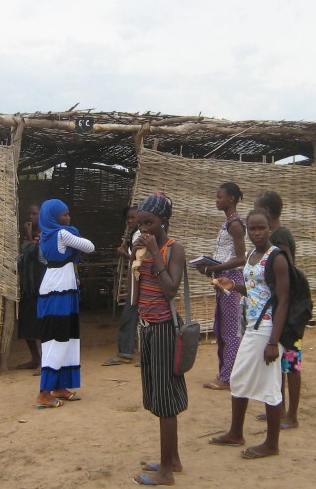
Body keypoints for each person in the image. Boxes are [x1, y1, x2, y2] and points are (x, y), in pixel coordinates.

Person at [209, 208, 290, 459]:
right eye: (252, 228)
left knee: (270, 386)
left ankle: (272, 444)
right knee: (239, 377)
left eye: (260, 228)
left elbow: (283, 301)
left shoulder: (276, 258)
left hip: (266, 330)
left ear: (269, 229)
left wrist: (274, 342)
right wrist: (233, 286)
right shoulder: (254, 255)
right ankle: (235, 433)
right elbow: (256, 292)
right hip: (251, 327)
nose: (256, 232)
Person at [131, 193, 187, 486]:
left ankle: (165, 472)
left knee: (165, 401)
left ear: (164, 221)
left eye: (149, 223)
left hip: (165, 328)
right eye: (141, 224)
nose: (144, 229)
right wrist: (136, 256)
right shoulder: (145, 246)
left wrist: (154, 253)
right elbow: (138, 288)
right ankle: (173, 460)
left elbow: (170, 290)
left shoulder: (173, 248)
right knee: (155, 395)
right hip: (148, 326)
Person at [35, 199, 95, 409]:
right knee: (56, 339)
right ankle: (44, 393)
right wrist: (72, 231)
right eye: (64, 215)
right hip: (58, 291)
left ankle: (59, 386)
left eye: (68, 214)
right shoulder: (62, 234)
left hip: (60, 286)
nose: (68, 218)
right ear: (53, 217)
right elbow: (89, 246)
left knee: (67, 337)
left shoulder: (46, 235)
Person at [253, 190, 301, 429]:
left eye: (258, 209)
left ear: (268, 213)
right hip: (285, 307)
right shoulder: (280, 235)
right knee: (282, 362)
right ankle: (279, 409)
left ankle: (291, 415)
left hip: (289, 311)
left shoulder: (280, 238)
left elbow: (286, 274)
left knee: (291, 363)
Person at [195, 182, 247, 390]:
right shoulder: (228, 224)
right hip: (224, 278)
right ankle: (227, 374)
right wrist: (211, 267)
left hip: (231, 281)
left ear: (231, 199)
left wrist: (215, 269)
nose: (217, 200)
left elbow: (241, 258)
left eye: (220, 197)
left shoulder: (235, 225)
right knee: (224, 328)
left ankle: (227, 378)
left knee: (231, 331)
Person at [103, 205, 141, 366]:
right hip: (140, 281)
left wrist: (124, 254)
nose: (130, 220)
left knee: (129, 316)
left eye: (133, 217)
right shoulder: (136, 234)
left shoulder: (139, 234)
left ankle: (125, 353)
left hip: (139, 282)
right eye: (128, 218)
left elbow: (139, 260)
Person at [15, 204, 46, 373]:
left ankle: (44, 362)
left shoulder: (45, 234)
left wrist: (28, 235)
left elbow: (36, 254)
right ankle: (35, 358)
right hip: (28, 285)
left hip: (41, 284)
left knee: (41, 325)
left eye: (34, 213)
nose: (31, 216)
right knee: (27, 324)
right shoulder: (27, 236)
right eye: (29, 213)